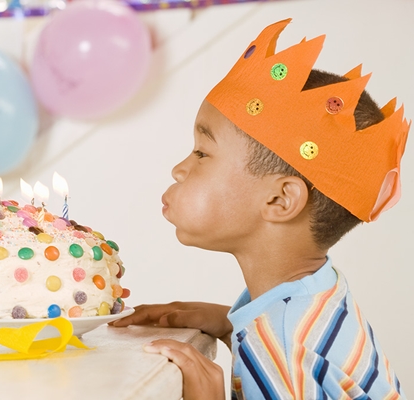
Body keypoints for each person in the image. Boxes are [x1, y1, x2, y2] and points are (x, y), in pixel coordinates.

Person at [111, 18, 409, 399]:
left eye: (202, 152)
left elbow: (290, 361)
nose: (179, 168)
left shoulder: (282, 350)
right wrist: (230, 324)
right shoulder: (315, 298)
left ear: (280, 200)